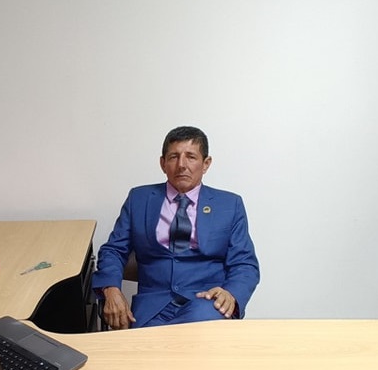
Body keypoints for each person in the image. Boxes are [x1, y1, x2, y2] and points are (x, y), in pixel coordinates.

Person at [92, 126, 260, 329]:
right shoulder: (139, 199)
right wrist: (110, 289)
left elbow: (245, 263)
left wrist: (231, 293)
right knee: (151, 342)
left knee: (194, 329)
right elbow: (113, 250)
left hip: (206, 302)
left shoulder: (229, 204)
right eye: (173, 157)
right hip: (151, 307)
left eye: (191, 157)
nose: (181, 165)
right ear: (163, 163)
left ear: (206, 163)